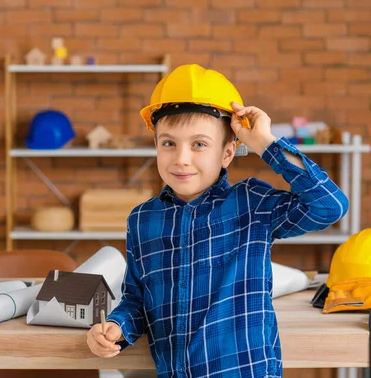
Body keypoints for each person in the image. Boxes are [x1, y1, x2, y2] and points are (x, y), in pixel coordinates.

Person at [86, 64, 349, 377]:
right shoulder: (143, 220)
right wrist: (117, 326)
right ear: (156, 146)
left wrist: (264, 142)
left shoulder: (250, 205)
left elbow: (329, 206)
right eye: (169, 143)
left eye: (199, 144)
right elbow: (137, 298)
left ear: (227, 154)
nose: (181, 158)